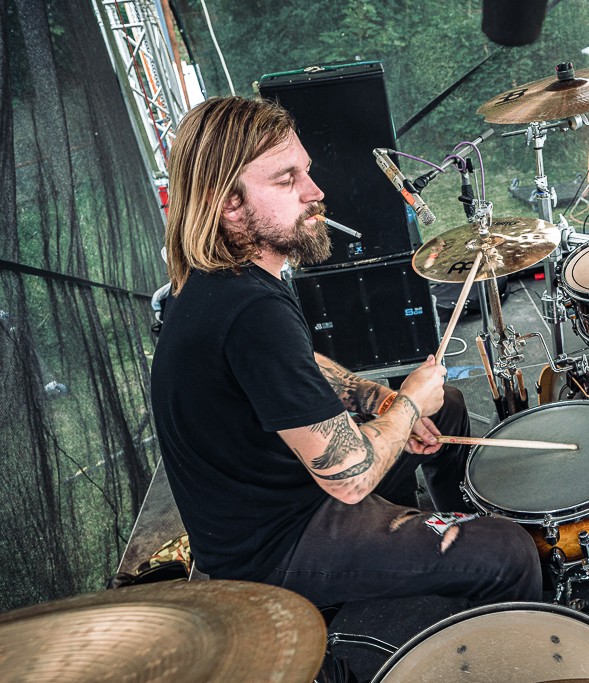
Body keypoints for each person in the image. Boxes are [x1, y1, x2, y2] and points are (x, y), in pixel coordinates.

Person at [151, 96, 542, 607]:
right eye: (287, 180)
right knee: (510, 552)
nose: (315, 192)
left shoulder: (223, 278)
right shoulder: (249, 309)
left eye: (306, 171)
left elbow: (295, 368)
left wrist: (382, 400)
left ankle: (455, 544)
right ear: (228, 203)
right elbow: (350, 480)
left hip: (286, 489)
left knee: (443, 406)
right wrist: (406, 408)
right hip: (274, 544)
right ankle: (477, 579)